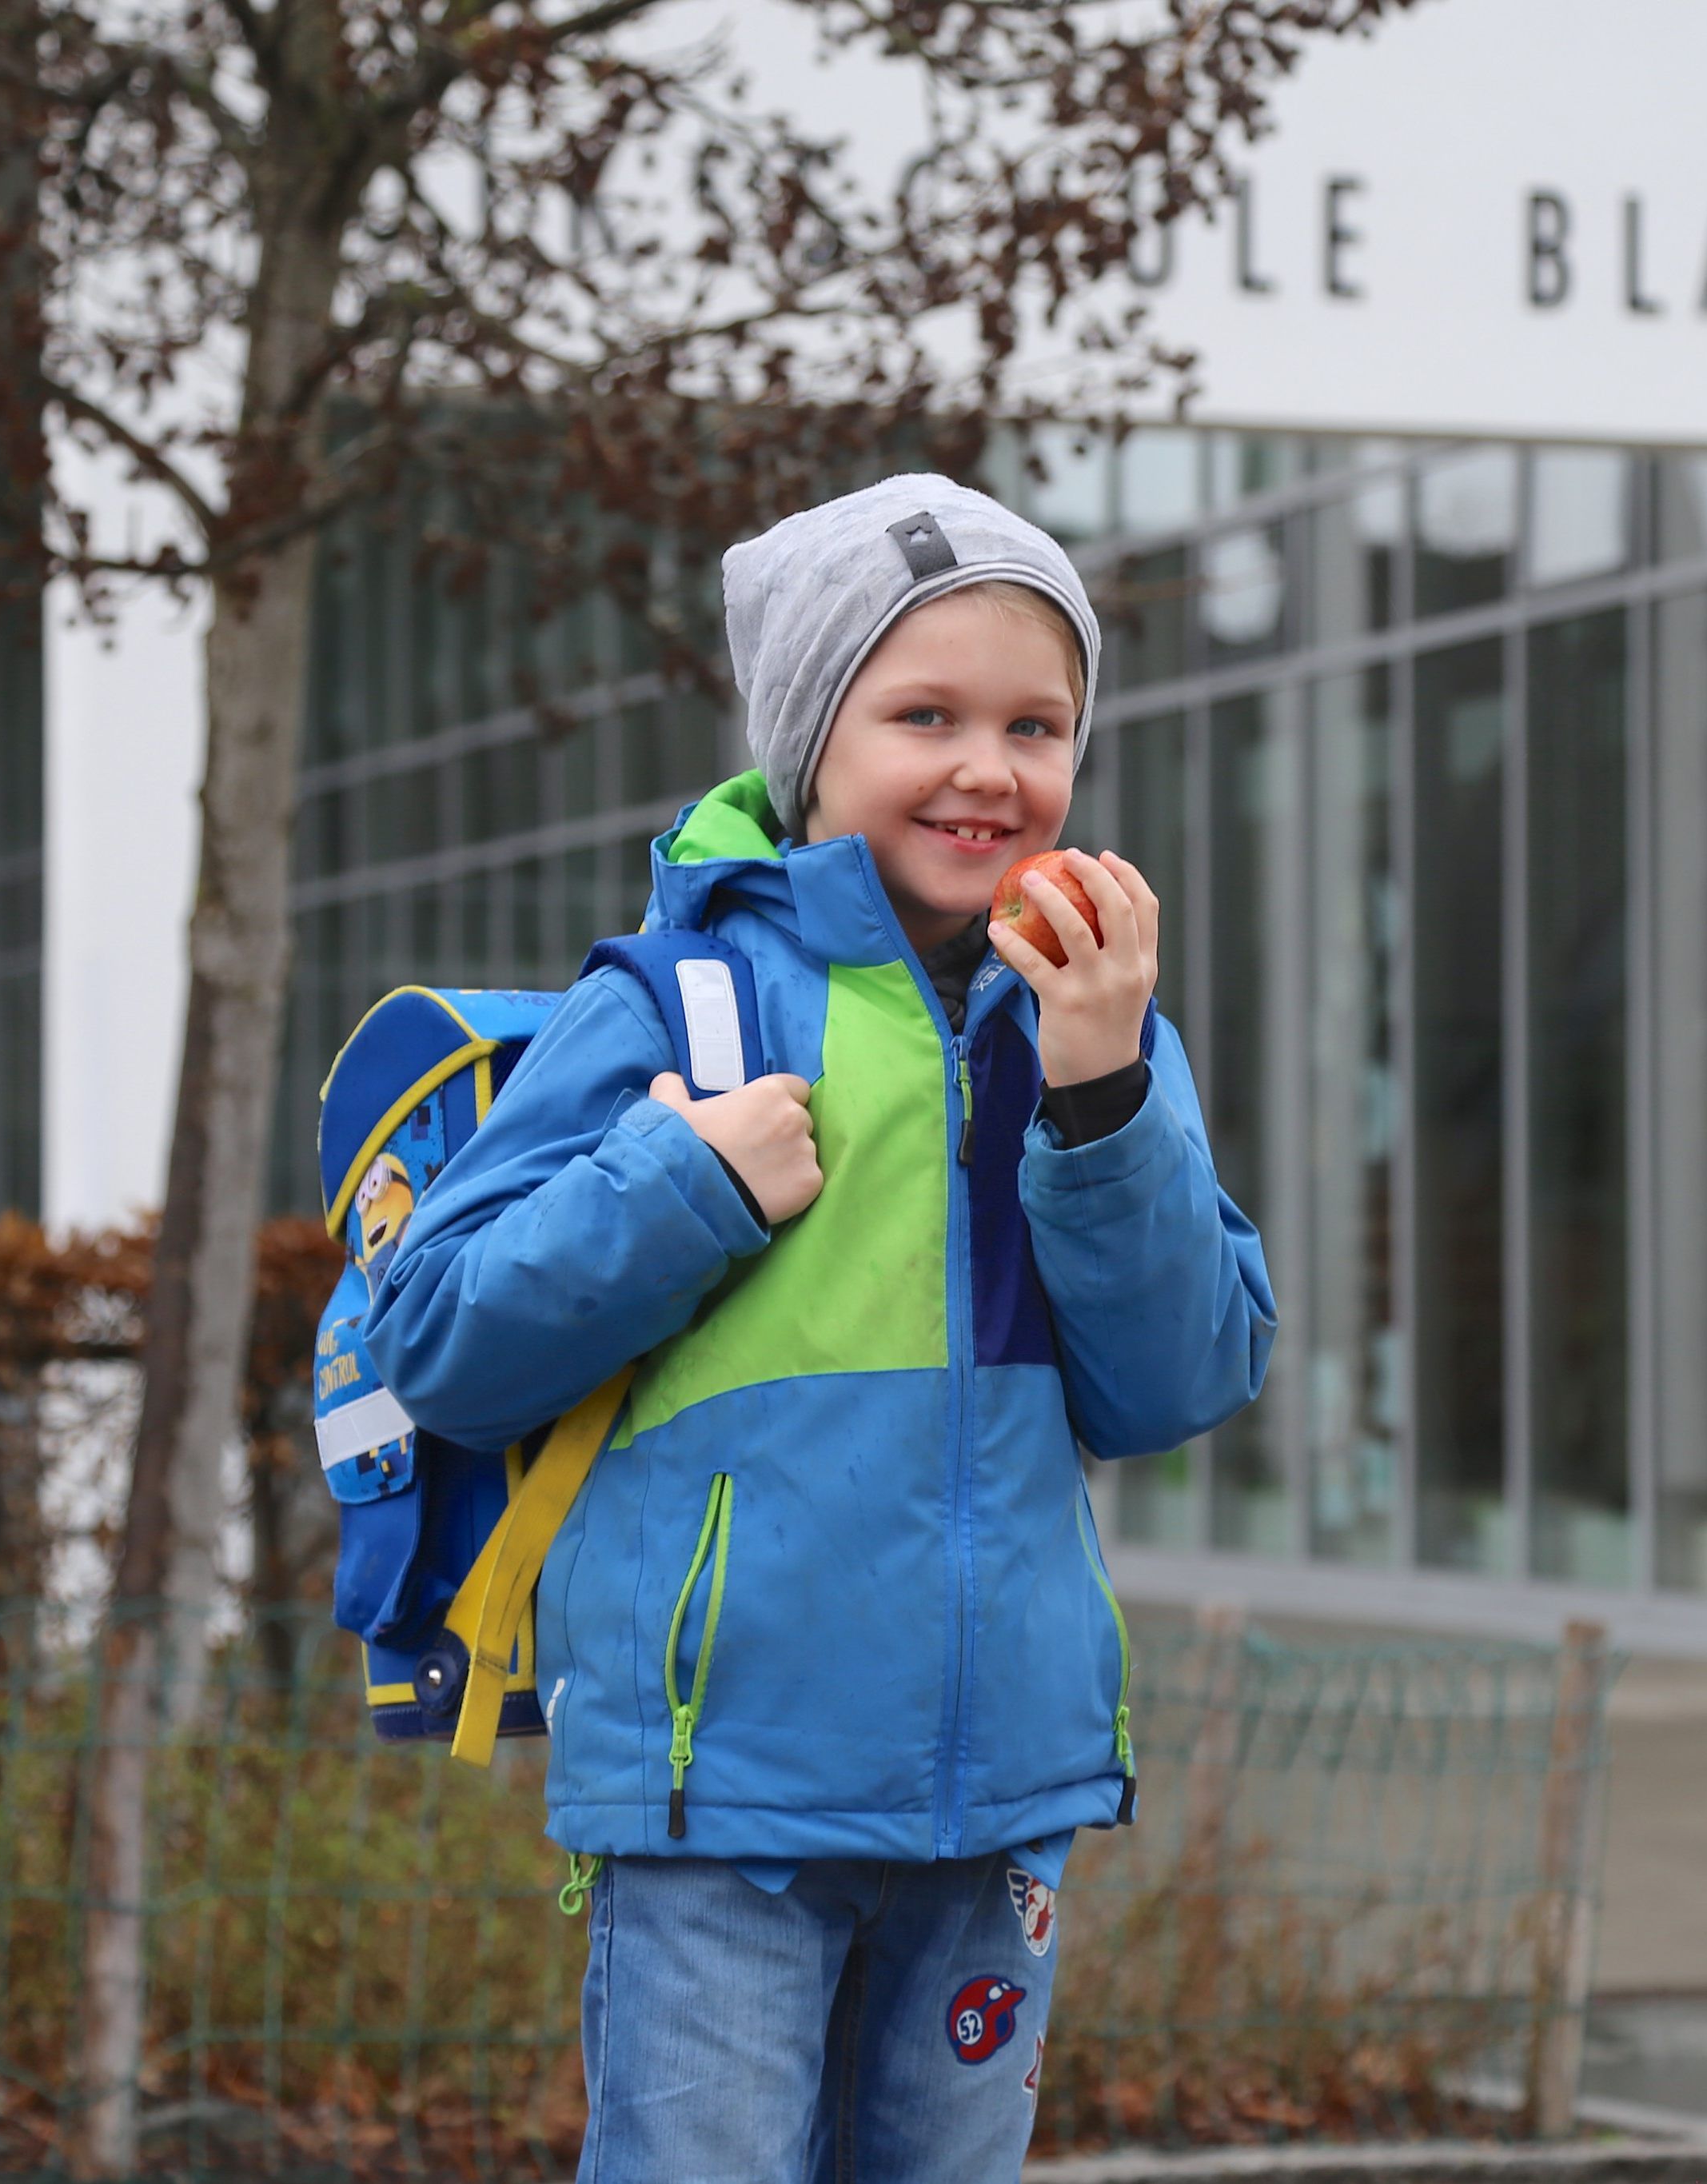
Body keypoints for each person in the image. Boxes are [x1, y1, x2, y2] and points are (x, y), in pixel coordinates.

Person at [364, 473, 1274, 2182]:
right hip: (725, 1801)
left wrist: (1104, 1103)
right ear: (809, 736)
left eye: (1035, 720)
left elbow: (1180, 1379)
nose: (988, 766)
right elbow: (444, 1335)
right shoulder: (674, 1000)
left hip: (1003, 1788)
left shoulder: (1090, 1023)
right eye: (923, 713)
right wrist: (682, 1182)